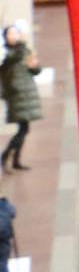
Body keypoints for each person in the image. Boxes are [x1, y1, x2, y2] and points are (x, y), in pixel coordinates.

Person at [2, 22, 40, 173]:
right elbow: (14, 57)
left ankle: (15, 160)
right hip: (16, 95)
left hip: (26, 94)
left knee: (24, 128)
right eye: (10, 33)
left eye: (15, 33)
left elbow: (34, 70)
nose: (14, 36)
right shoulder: (7, 53)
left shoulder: (23, 50)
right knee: (23, 129)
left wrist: (35, 67)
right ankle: (6, 156)